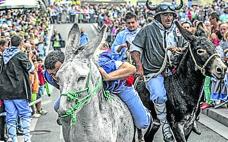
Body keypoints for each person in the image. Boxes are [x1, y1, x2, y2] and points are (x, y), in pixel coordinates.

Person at [130, 2, 189, 142]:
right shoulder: (148, 29)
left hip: (174, 73)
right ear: (158, 16)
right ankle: (165, 127)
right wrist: (139, 67)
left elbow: (186, 48)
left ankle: (191, 117)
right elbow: (134, 48)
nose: (168, 18)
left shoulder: (176, 30)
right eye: (165, 15)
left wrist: (179, 50)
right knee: (159, 96)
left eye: (170, 15)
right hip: (154, 72)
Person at [0, 35, 34, 142]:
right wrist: (29, 53)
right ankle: (27, 139)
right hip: (19, 91)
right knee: (25, 114)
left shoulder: (2, 56)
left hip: (5, 92)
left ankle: (13, 139)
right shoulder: (20, 55)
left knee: (10, 117)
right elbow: (31, 68)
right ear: (20, 44)